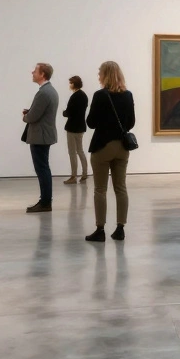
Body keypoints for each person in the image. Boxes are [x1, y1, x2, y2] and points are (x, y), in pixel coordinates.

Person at [84, 61, 135, 242]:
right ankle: (120, 229)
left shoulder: (100, 95)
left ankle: (100, 230)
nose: (98, 76)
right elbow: (131, 122)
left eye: (100, 73)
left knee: (100, 189)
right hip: (122, 148)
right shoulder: (128, 95)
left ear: (105, 75)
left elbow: (91, 123)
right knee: (121, 188)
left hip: (102, 146)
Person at [22, 62, 60, 213]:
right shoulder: (50, 91)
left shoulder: (44, 93)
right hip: (44, 135)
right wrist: (31, 112)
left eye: (35, 71)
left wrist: (25, 117)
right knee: (44, 168)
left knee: (42, 169)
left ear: (42, 74)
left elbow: (33, 117)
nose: (32, 73)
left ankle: (45, 202)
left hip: (40, 136)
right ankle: (45, 201)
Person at [62, 75, 89, 184]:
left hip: (72, 127)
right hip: (81, 127)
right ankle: (85, 173)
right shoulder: (84, 96)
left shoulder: (74, 97)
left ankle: (73, 176)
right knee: (80, 150)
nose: (69, 85)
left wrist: (64, 112)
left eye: (70, 83)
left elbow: (68, 112)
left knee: (72, 152)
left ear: (74, 84)